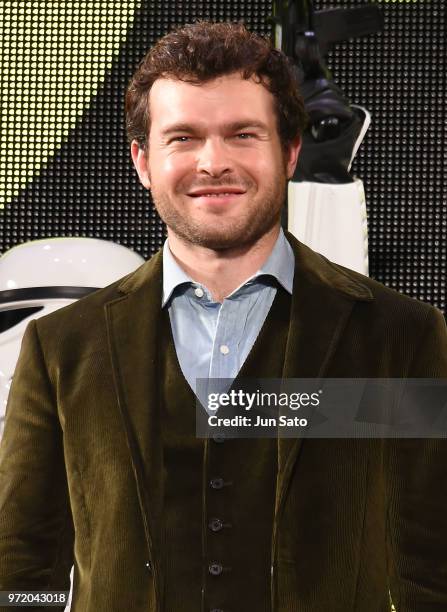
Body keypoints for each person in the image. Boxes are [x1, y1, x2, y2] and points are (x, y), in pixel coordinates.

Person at [0, 21, 446, 612]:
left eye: (242, 134)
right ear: (142, 160)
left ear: (288, 152)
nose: (213, 162)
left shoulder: (401, 336)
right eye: (183, 137)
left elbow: (432, 563)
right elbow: (25, 567)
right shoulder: (61, 347)